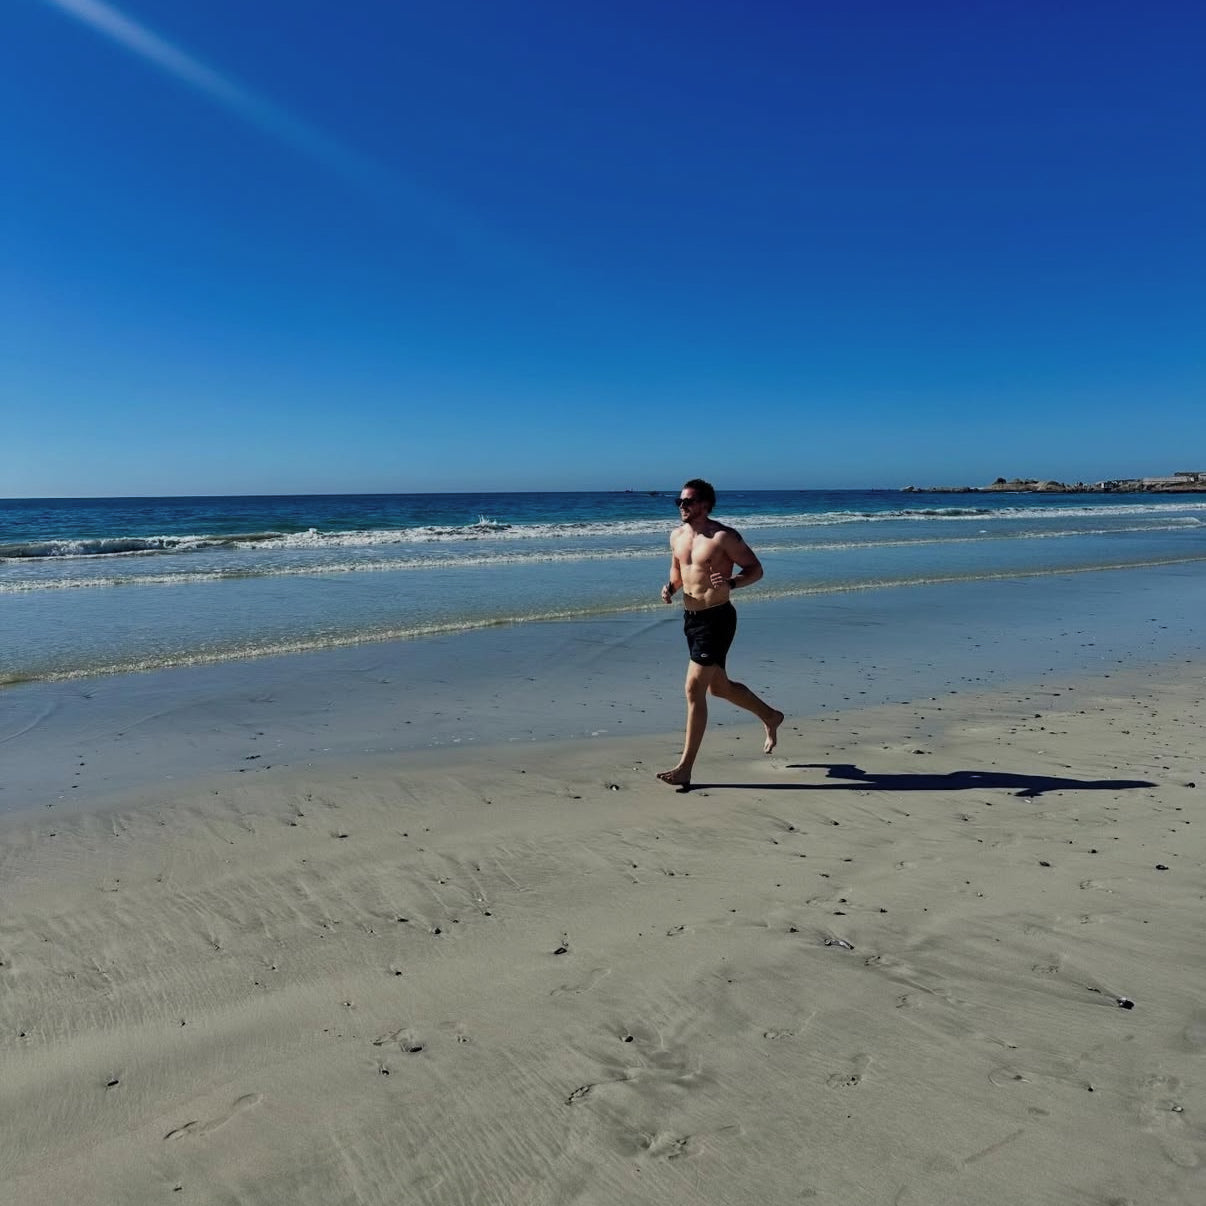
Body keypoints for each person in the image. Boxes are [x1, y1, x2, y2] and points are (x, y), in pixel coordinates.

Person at [657, 479, 784, 788]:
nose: (682, 506)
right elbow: (679, 569)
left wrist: (732, 584)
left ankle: (685, 767)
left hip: (717, 619)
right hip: (691, 620)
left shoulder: (723, 537)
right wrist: (671, 587)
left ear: (705, 504)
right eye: (680, 501)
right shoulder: (676, 536)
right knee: (720, 688)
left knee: (693, 689)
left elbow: (755, 569)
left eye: (688, 501)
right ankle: (771, 716)